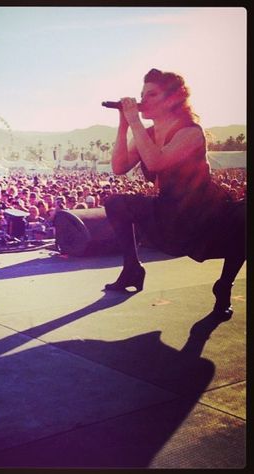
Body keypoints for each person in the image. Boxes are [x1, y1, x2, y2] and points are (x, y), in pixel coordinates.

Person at [103, 68, 245, 317]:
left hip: (203, 210)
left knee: (244, 220)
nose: (143, 100)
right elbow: (118, 167)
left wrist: (134, 120)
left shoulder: (190, 131)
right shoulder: (145, 134)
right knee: (115, 203)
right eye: (142, 94)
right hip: (169, 207)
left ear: (172, 99)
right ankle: (132, 268)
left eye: (152, 94)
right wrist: (123, 124)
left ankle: (224, 285)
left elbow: (157, 162)